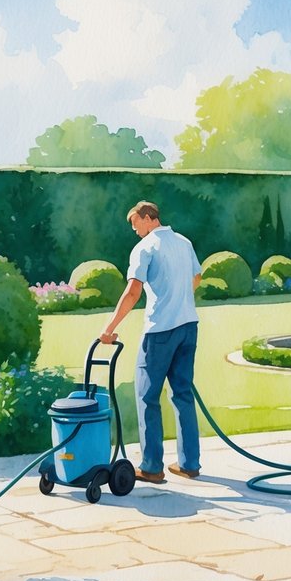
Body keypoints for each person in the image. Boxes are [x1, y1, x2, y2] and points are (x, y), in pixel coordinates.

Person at [99, 201, 202, 483]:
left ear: (148, 218)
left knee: (147, 396)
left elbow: (133, 292)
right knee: (182, 394)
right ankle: (190, 463)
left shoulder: (145, 247)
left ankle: (152, 466)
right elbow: (196, 277)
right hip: (188, 326)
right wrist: (178, 297)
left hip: (160, 331)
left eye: (135, 224)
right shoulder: (183, 242)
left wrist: (109, 329)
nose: (135, 231)